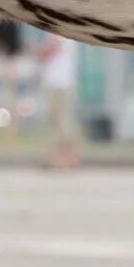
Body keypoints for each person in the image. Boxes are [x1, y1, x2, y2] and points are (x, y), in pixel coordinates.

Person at [37, 31, 81, 170]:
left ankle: (65, 160)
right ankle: (60, 159)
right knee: (59, 123)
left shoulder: (59, 29)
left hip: (59, 83)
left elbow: (50, 50)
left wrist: (36, 53)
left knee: (60, 124)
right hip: (58, 82)